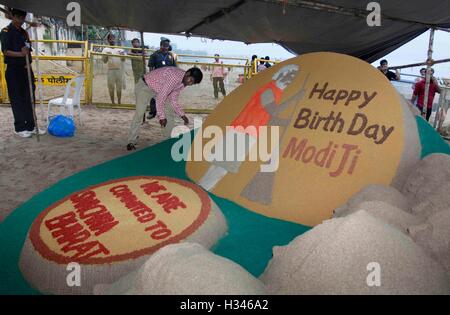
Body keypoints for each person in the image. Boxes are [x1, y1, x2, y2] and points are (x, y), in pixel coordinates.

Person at [126, 67, 203, 151]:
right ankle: (131, 142)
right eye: (191, 80)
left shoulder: (182, 83)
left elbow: (173, 99)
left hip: (159, 91)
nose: (190, 83)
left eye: (193, 83)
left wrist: (182, 115)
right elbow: (161, 97)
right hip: (145, 86)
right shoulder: (174, 76)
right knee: (139, 114)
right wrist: (161, 117)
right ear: (187, 73)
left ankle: (168, 140)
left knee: (169, 109)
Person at [0, 8, 45, 138]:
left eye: (22, 18)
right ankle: (20, 128)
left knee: (29, 97)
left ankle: (31, 126)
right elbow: (6, 51)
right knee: (17, 98)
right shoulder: (6, 32)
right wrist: (20, 53)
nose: (20, 20)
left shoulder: (24, 32)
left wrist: (26, 51)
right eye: (18, 17)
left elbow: (27, 47)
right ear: (13, 16)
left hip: (26, 69)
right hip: (14, 70)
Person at [146, 37, 177, 120]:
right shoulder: (154, 55)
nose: (166, 47)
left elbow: (174, 67)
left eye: (167, 46)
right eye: (165, 45)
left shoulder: (170, 56)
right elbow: (151, 67)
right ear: (161, 45)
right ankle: (153, 112)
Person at [102, 34, 125, 104]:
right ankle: (112, 102)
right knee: (111, 87)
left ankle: (119, 101)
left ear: (115, 39)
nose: (112, 40)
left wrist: (122, 55)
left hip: (119, 70)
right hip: (110, 70)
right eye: (110, 38)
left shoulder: (120, 49)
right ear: (108, 40)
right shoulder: (105, 49)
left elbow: (123, 60)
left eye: (113, 38)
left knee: (119, 88)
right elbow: (104, 61)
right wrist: (106, 55)